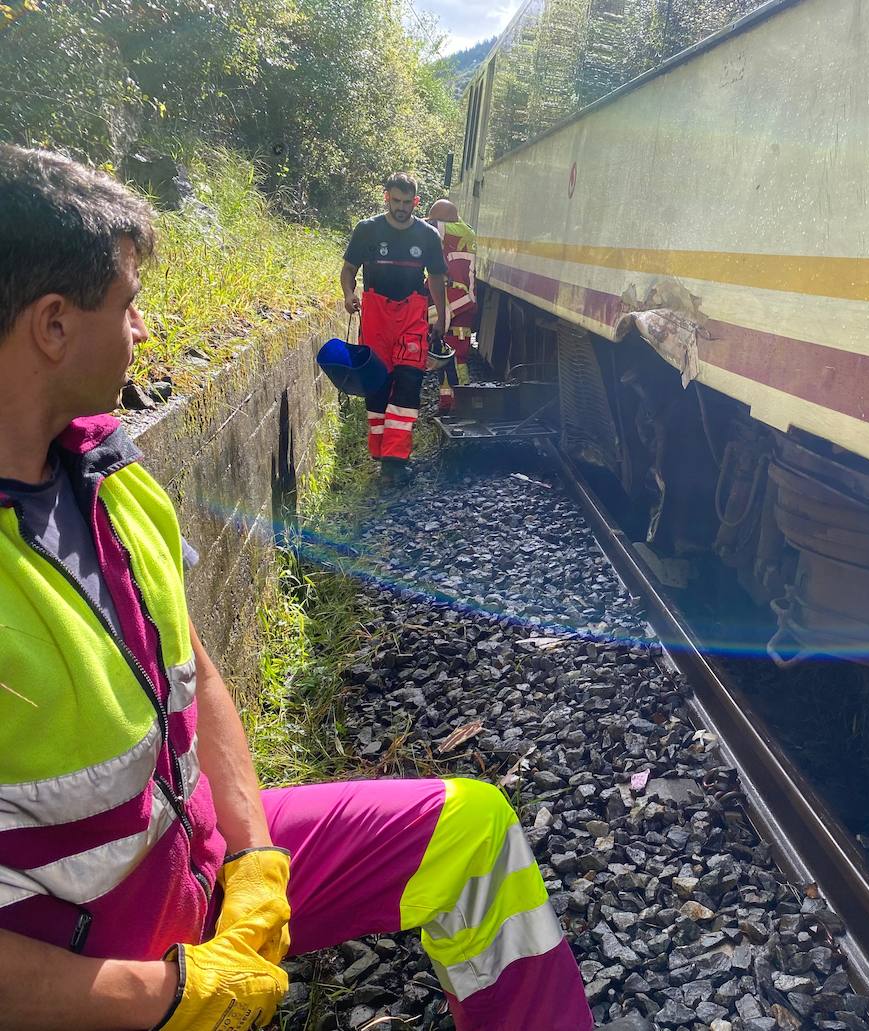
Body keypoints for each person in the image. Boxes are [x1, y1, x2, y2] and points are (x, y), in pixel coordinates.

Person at [0, 145, 614, 1031]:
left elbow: (197, 673)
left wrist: (253, 858)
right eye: (129, 306)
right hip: (94, 973)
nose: (144, 331)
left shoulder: (105, 471)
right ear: (53, 326)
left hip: (201, 862)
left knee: (472, 834)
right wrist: (169, 995)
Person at [341, 173, 447, 481]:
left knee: (409, 380)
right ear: (386, 197)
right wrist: (349, 294)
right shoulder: (367, 230)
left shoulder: (427, 236)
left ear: (416, 202)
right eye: (396, 201)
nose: (401, 208)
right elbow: (349, 270)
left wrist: (441, 315)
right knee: (378, 383)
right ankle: (380, 449)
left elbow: (437, 279)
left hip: (412, 314)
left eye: (407, 202)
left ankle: (395, 461)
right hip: (375, 316)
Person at [425, 199, 479, 415]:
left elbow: (423, 226)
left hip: (457, 303)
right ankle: (448, 403)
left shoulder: (452, 230)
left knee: (457, 358)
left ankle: (462, 403)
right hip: (456, 303)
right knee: (446, 354)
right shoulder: (463, 233)